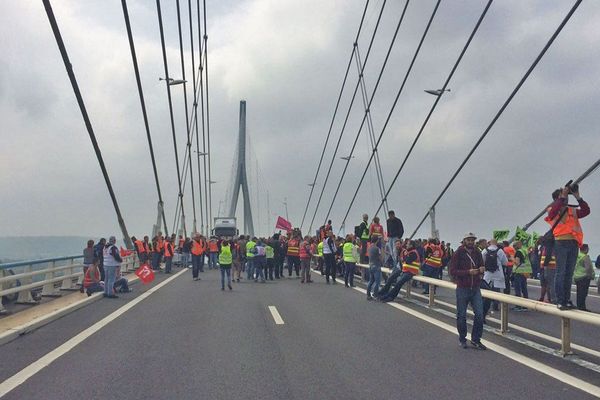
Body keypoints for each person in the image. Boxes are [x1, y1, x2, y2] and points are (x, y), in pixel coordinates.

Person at [545, 184, 590, 310]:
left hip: (573, 243)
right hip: (560, 242)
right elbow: (553, 213)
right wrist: (562, 197)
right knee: (561, 272)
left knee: (568, 274)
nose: (566, 198)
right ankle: (560, 300)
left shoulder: (572, 210)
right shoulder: (551, 209)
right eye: (562, 195)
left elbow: (586, 211)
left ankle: (567, 299)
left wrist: (578, 196)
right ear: (556, 198)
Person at [449, 233, 486, 350]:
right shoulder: (458, 253)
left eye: (472, 240)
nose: (470, 242)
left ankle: (476, 339)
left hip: (475, 287)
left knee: (480, 315)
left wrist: (481, 270)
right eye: (468, 240)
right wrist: (468, 272)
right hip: (462, 288)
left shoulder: (477, 252)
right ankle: (462, 338)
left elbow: (482, 265)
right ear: (464, 241)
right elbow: (453, 271)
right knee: (461, 315)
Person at [481, 239, 508, 322]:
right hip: (498, 273)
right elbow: (505, 262)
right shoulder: (500, 251)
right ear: (496, 243)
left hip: (487, 274)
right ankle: (495, 305)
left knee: (486, 293)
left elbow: (481, 261)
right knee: (496, 291)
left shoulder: (485, 251)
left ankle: (484, 311)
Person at [573, 244, 594, 311]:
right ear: (586, 249)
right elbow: (588, 268)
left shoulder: (577, 256)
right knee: (583, 293)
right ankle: (582, 307)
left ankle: (579, 305)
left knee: (579, 292)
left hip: (577, 276)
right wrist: (590, 276)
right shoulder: (585, 257)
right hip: (584, 277)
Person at [512, 241, 532, 310]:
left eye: (514, 246)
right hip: (525, 271)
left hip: (519, 271)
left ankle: (518, 306)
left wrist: (512, 259)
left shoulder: (518, 252)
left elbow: (517, 263)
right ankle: (525, 306)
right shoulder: (525, 251)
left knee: (518, 289)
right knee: (524, 289)